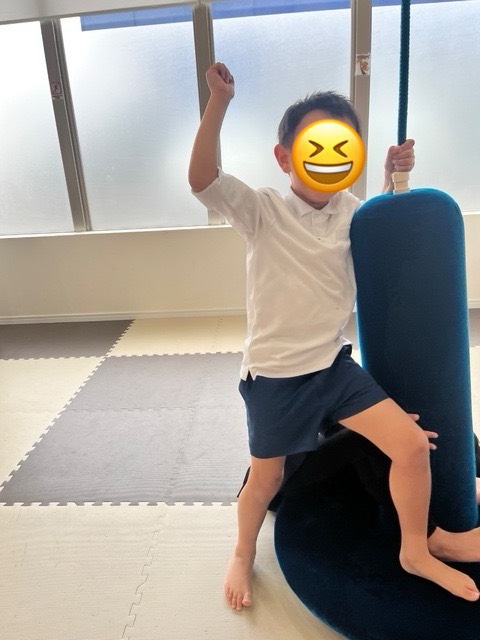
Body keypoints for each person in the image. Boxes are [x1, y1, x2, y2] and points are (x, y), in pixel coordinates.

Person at [188, 61, 480, 611]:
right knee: (265, 480)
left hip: (333, 369)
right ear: (285, 157)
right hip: (276, 377)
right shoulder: (262, 210)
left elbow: (389, 228)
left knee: (411, 444)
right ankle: (242, 551)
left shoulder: (354, 214)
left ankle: (418, 548)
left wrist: (394, 177)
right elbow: (202, 179)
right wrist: (219, 103)